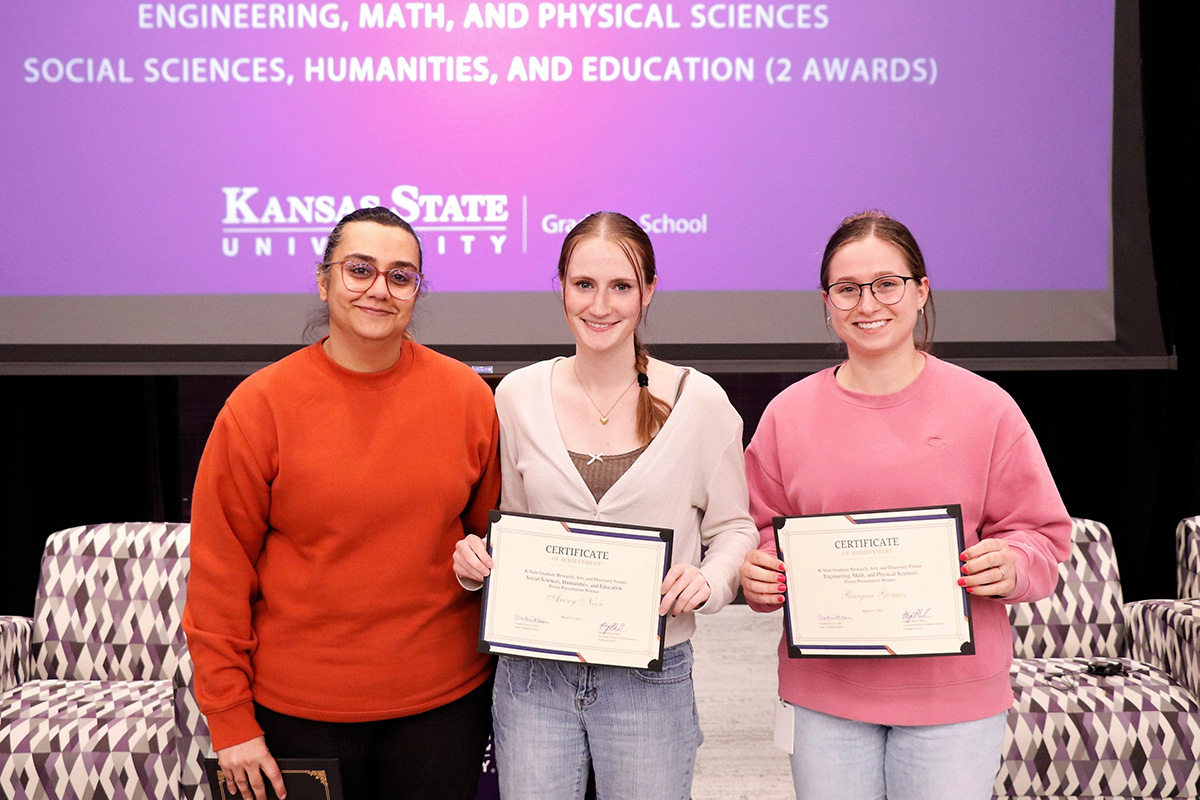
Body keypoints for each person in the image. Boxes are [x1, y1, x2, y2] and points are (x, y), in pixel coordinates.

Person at [739, 210, 1072, 800]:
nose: (867, 304)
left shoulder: (986, 407)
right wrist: (758, 572)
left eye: (886, 284)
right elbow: (757, 528)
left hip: (953, 700)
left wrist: (1012, 564)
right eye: (847, 289)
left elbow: (1043, 536)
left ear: (921, 291)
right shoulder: (788, 415)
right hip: (826, 696)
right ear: (826, 302)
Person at [183, 206, 501, 800]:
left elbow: (490, 543)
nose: (380, 289)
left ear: (416, 292)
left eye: (401, 276)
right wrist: (229, 722)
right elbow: (219, 577)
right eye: (360, 270)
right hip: (297, 713)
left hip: (442, 708)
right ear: (324, 280)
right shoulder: (259, 407)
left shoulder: (467, 397)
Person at [453, 211, 758, 799]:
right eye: (584, 285)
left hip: (650, 675)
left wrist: (711, 580)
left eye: (621, 286)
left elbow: (734, 527)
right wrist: (476, 563)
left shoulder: (698, 401)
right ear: (561, 289)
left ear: (648, 292)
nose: (601, 305)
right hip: (534, 674)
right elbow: (510, 529)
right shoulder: (516, 396)